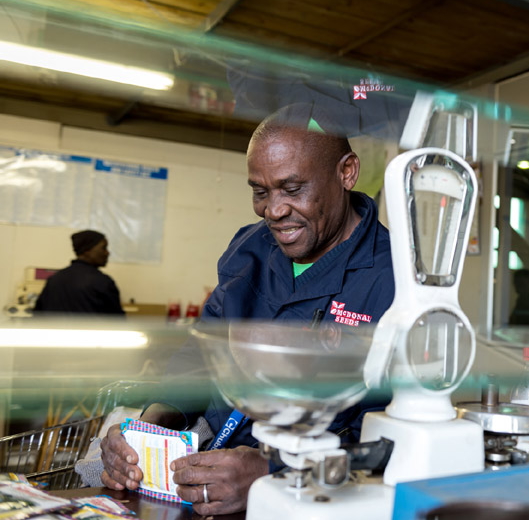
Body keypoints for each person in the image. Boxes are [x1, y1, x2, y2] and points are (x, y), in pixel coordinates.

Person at [99, 113, 395, 515]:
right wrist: (152, 426)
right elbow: (201, 351)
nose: (273, 211)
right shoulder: (249, 247)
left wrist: (274, 470)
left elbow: (386, 441)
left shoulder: (394, 279)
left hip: (305, 498)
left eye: (292, 189)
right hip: (200, 462)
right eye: (260, 191)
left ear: (347, 172)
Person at [33, 230, 124, 315]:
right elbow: (117, 322)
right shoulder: (103, 282)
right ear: (87, 250)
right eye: (103, 248)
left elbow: (38, 315)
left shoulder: (54, 279)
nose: (107, 253)